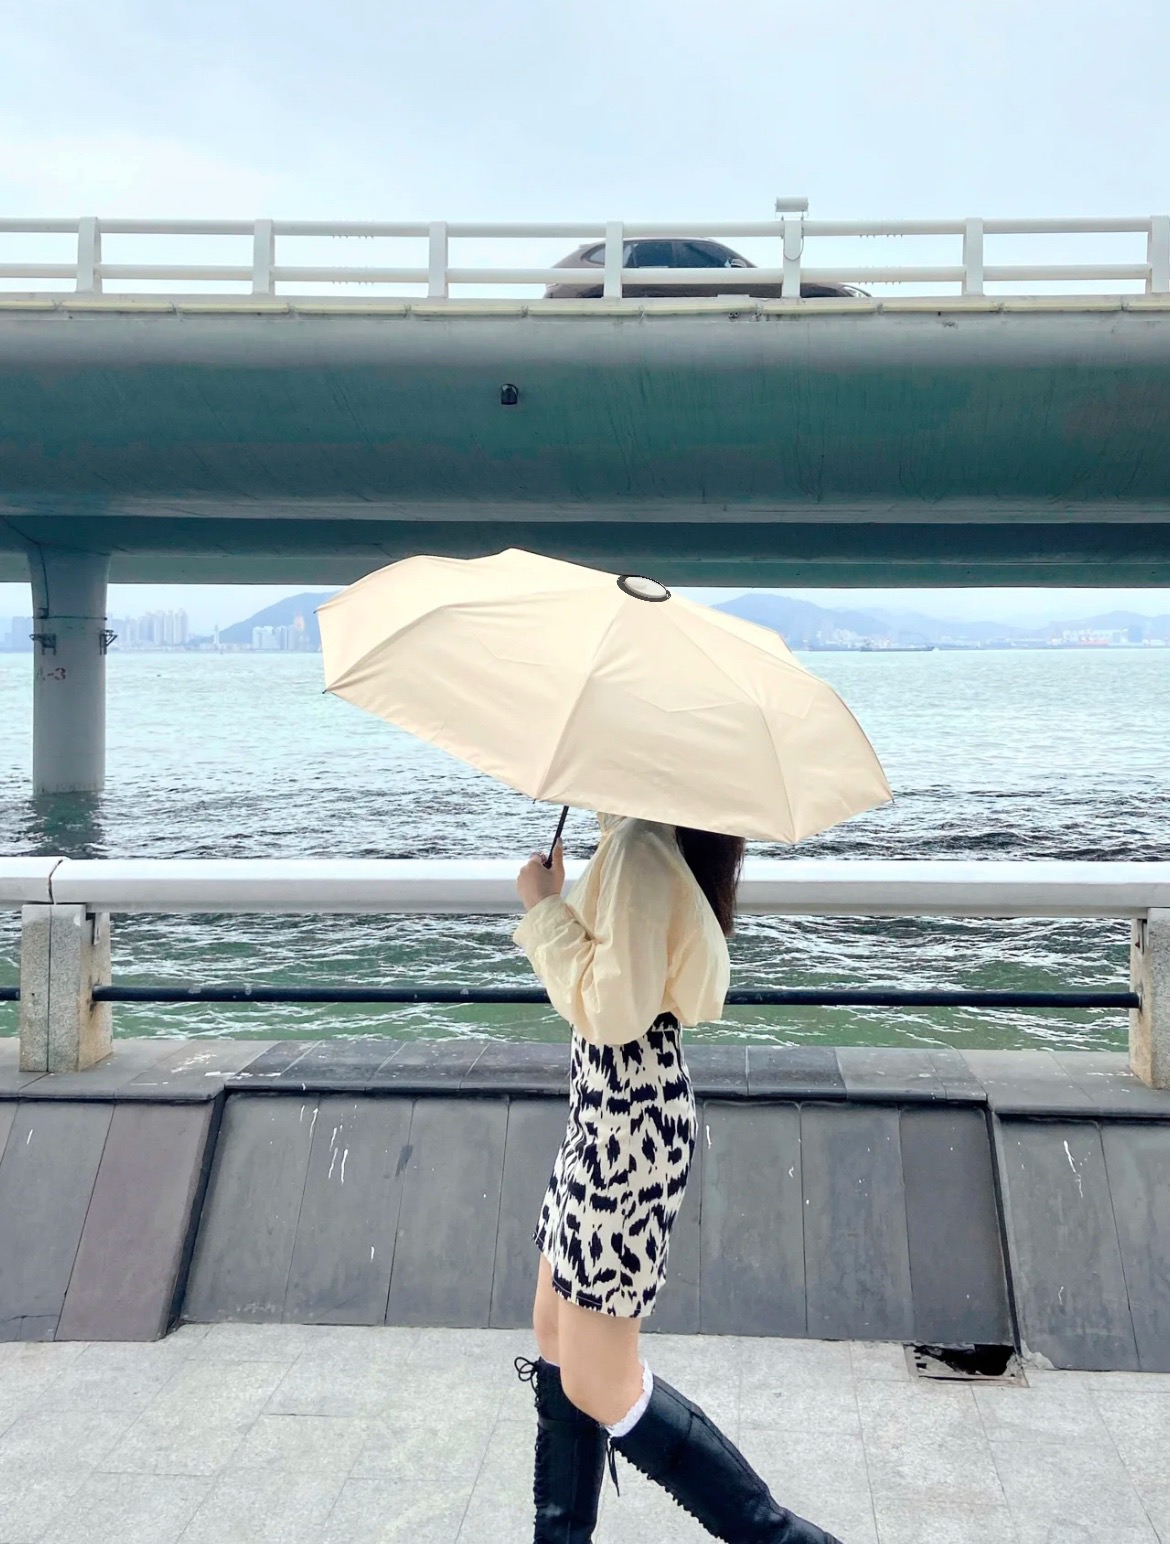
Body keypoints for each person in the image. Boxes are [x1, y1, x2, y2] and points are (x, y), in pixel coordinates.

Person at [511, 810, 843, 1544]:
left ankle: (784, 1539)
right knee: (556, 1336)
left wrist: (543, 910)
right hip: (604, 1114)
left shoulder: (639, 847)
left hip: (625, 1128)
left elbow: (611, 1011)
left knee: (600, 1379)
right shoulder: (632, 836)